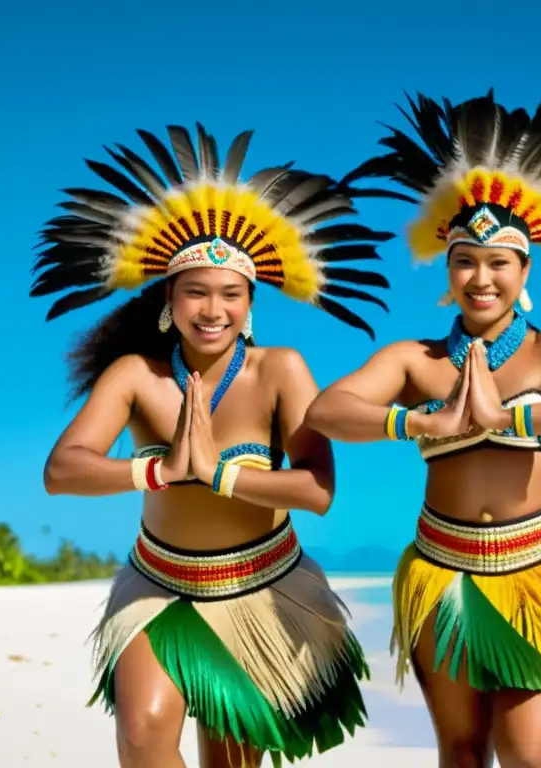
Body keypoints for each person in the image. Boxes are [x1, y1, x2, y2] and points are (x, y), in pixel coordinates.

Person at [32, 122, 395, 768]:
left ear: (251, 303)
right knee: (142, 736)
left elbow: (317, 489)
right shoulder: (136, 376)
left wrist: (222, 477)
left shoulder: (280, 369)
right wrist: (160, 469)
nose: (212, 308)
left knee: (230, 762)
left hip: (262, 588)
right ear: (169, 299)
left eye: (230, 294)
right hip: (158, 585)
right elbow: (62, 470)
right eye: (195, 291)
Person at [304, 91, 541, 767]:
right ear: (447, 270)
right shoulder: (417, 360)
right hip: (444, 570)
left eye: (499, 263)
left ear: (525, 273)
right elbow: (328, 411)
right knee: (461, 753)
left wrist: (505, 416)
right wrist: (420, 420)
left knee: (526, 753)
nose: (481, 277)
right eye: (466, 261)